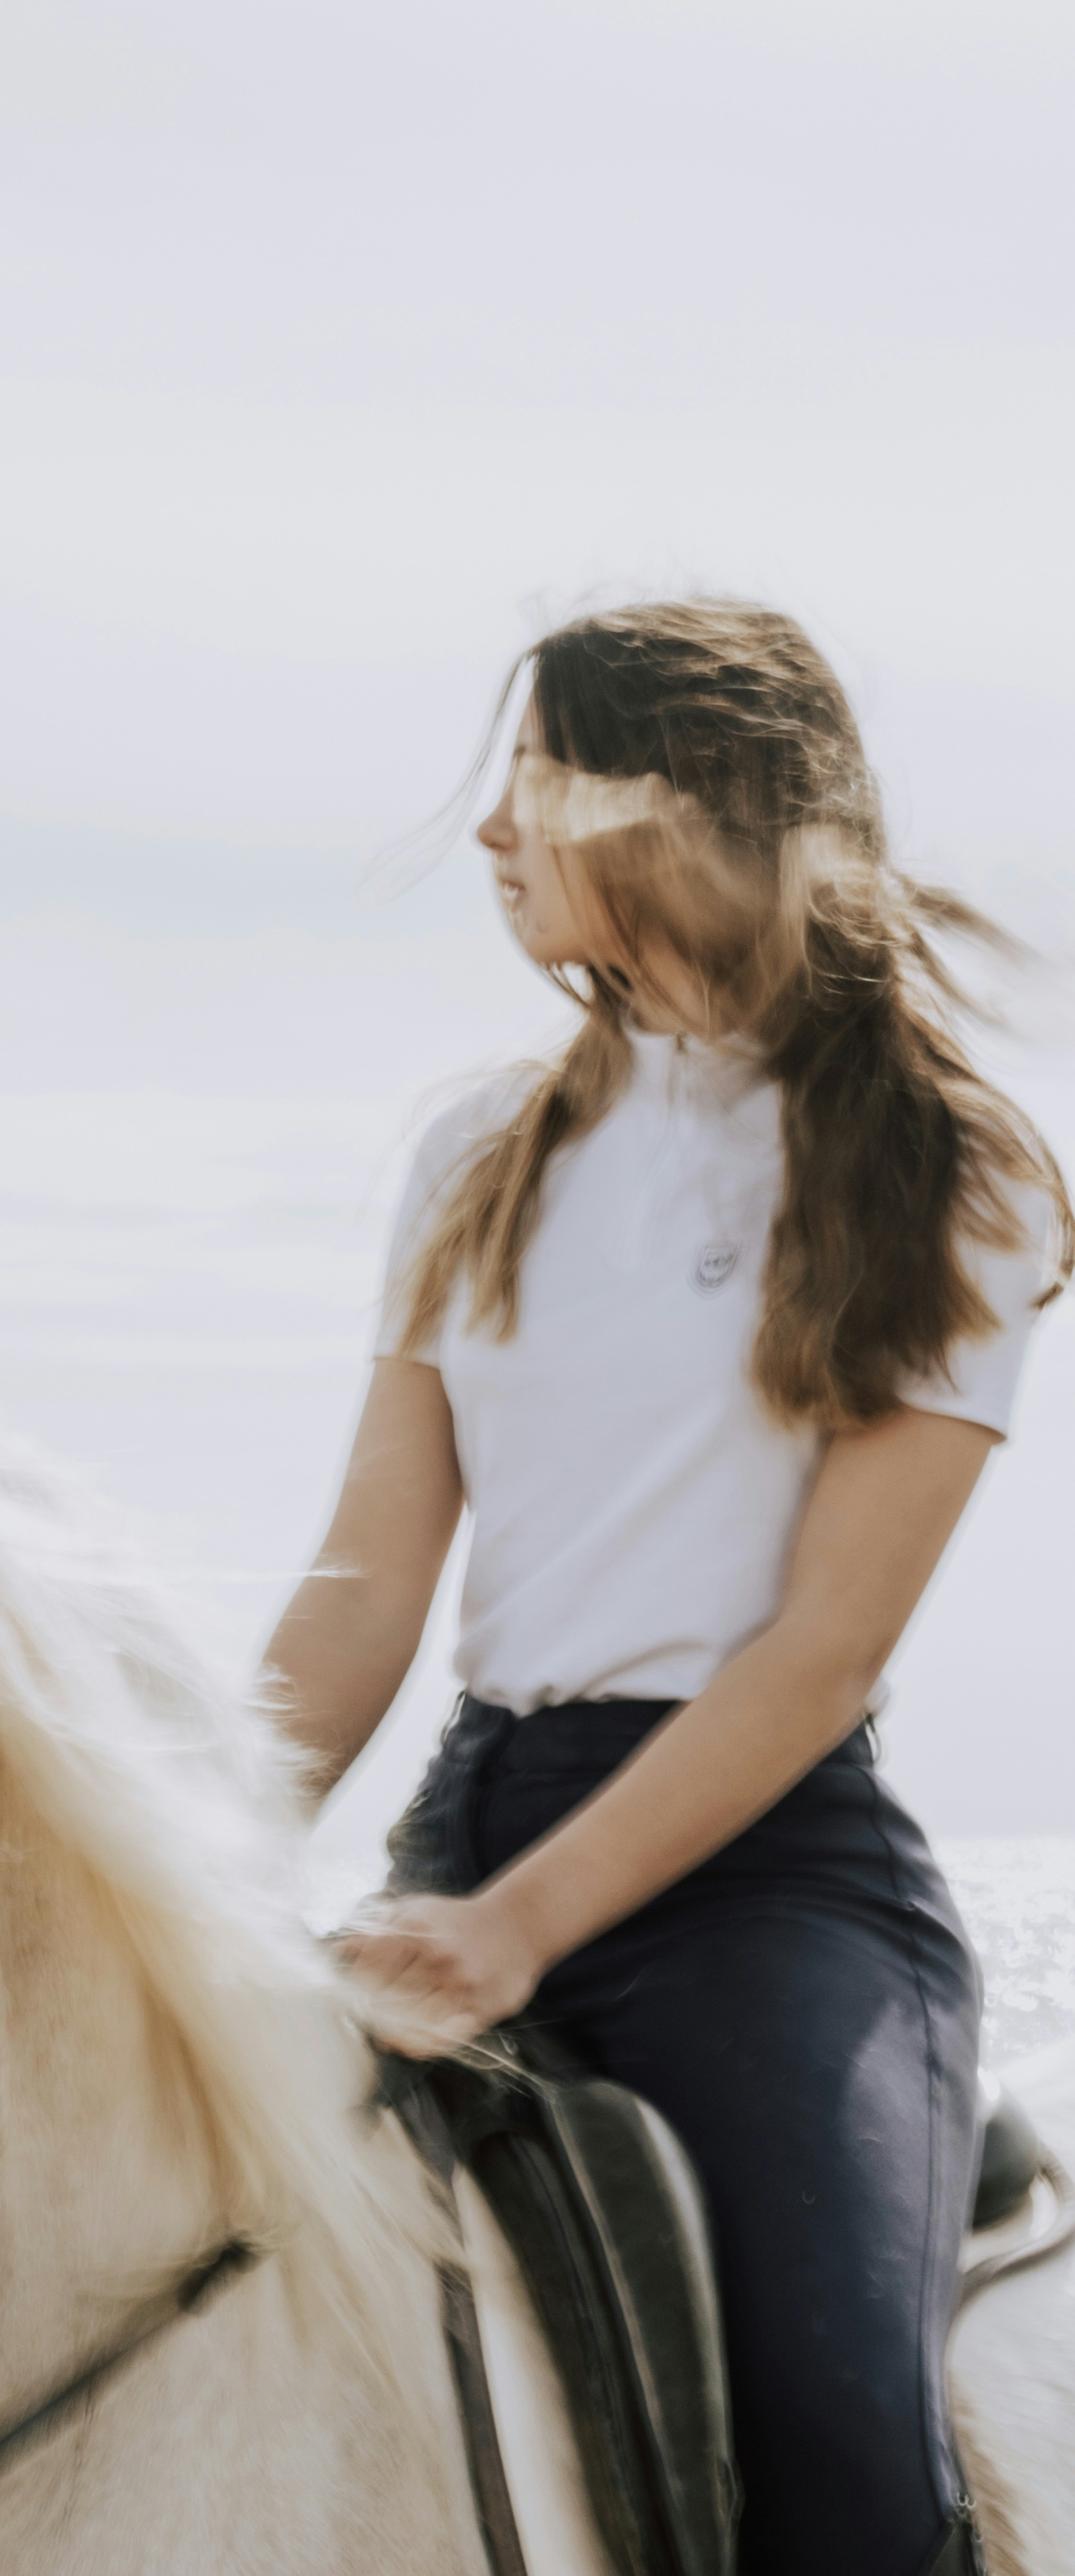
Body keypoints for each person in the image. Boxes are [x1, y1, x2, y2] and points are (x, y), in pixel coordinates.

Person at [262, 601, 1072, 2576]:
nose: (490, 832)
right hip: (467, 1825)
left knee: (829, 2448)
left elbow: (817, 1656)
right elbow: (363, 1589)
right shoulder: (473, 1148)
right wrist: (186, 1847)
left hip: (766, 1882)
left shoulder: (951, 1170)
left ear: (684, 810)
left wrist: (519, 1931)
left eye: (535, 775)